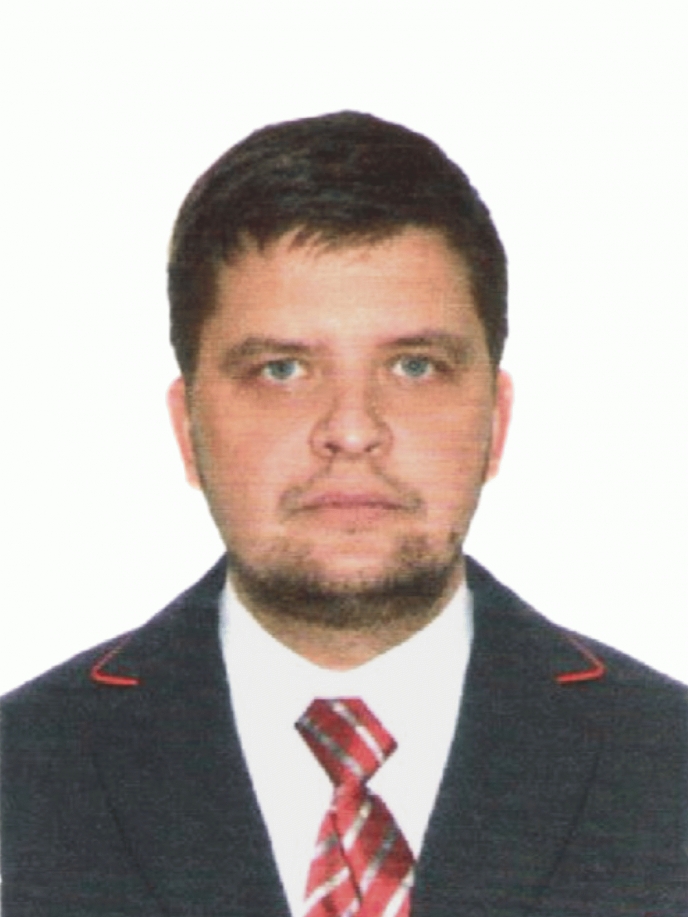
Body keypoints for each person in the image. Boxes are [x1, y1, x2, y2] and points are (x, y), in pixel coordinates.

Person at [2, 112, 687, 917]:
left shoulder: (667, 767)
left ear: (496, 422)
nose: (353, 429)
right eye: (282, 369)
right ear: (187, 428)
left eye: (415, 366)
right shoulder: (24, 775)